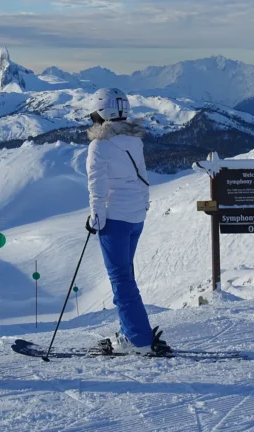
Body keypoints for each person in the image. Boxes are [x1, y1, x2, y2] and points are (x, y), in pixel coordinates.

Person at [84, 88, 171, 355]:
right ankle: (129, 332)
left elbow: (96, 185)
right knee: (126, 275)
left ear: (101, 112)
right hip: (135, 216)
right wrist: (142, 205)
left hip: (115, 218)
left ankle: (138, 339)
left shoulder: (100, 145)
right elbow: (141, 176)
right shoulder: (134, 140)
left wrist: (96, 217)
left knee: (120, 279)